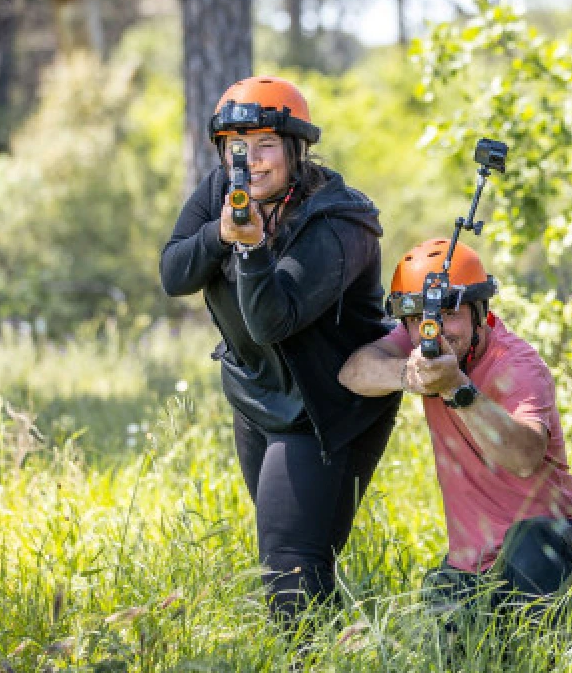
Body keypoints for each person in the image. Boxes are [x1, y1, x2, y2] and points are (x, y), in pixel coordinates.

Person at [159, 76, 401, 622]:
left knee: (291, 570)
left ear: (296, 149)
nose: (251, 161)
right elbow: (174, 273)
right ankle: (338, 648)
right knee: (296, 558)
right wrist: (218, 234)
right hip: (258, 395)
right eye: (236, 148)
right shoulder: (222, 188)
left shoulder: (340, 220)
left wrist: (250, 248)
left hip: (326, 405)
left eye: (266, 145)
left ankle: (312, 656)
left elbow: (274, 321)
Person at [338, 239, 572, 613]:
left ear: (479, 313)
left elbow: (524, 457)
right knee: (440, 617)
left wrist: (456, 389)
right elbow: (352, 372)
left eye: (449, 314)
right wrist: (408, 374)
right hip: (476, 564)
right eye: (418, 320)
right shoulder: (419, 339)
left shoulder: (517, 364)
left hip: (565, 542)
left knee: (528, 551)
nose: (435, 330)